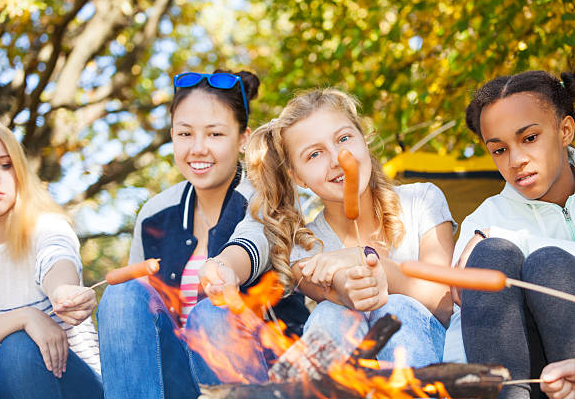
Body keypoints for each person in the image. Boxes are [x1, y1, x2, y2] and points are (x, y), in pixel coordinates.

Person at [187, 87, 456, 384]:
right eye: (314, 154)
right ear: (297, 176)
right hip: (355, 375)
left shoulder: (422, 200)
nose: (337, 159)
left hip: (429, 359)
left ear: (364, 140)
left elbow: (443, 302)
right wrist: (346, 283)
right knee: (331, 313)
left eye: (343, 139)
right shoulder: (305, 245)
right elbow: (334, 292)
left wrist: (371, 263)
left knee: (395, 308)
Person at [97, 70, 269, 399]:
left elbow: (256, 242)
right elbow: (138, 314)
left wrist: (226, 269)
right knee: (120, 296)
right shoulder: (154, 214)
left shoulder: (265, 196)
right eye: (185, 133)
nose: (198, 148)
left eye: (215, 134)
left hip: (260, 374)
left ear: (243, 138)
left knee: (212, 314)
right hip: (179, 380)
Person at [448, 70, 575, 399]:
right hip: (529, 380)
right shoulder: (483, 221)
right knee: (491, 255)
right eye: (499, 150)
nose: (516, 160)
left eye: (529, 138)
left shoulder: (488, 230)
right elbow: (465, 330)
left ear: (565, 130)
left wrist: (514, 237)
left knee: (549, 263)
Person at [0, 114, 102, 399]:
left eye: (5, 165)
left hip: (71, 386)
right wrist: (25, 316)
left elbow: (57, 257)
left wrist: (64, 291)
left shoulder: (45, 225)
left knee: (19, 349)